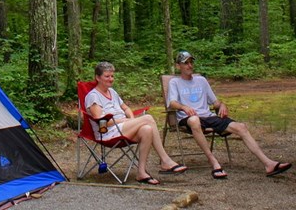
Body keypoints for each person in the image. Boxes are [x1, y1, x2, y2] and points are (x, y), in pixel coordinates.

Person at [167, 50, 292, 180]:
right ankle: (214, 162)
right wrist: (184, 107)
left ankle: (268, 164)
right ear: (178, 66)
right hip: (188, 119)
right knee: (194, 120)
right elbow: (172, 103)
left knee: (241, 127)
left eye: (191, 62)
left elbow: (215, 102)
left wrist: (222, 105)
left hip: (208, 116)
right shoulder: (174, 82)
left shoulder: (201, 80)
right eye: (185, 63)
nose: (189, 65)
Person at [85, 61, 188, 185]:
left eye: (112, 76)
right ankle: (165, 160)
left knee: (147, 129)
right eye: (107, 76)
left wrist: (132, 119)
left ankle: (141, 172)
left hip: (124, 127)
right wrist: (126, 121)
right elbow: (101, 122)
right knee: (148, 118)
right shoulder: (93, 96)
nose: (111, 79)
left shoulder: (112, 92)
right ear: (97, 77)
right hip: (108, 133)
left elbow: (126, 108)